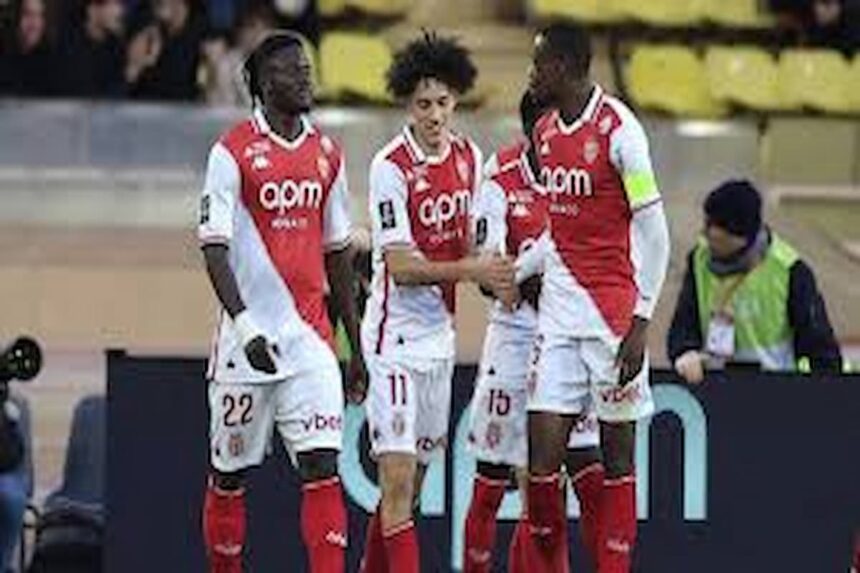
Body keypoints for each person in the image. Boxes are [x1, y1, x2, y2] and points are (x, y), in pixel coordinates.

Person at [197, 31, 365, 573]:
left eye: (308, 69)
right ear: (266, 82)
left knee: (322, 466)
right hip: (245, 345)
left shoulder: (327, 154)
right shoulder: (230, 152)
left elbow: (338, 256)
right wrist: (245, 328)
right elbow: (214, 250)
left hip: (310, 341)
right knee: (229, 475)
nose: (307, 78)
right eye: (295, 71)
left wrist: (354, 348)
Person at [359, 31, 516, 573]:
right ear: (408, 103)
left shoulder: (471, 159)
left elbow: (475, 248)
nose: (433, 114)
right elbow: (401, 269)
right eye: (423, 103)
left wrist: (501, 275)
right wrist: (474, 269)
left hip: (439, 342)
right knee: (398, 479)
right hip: (394, 341)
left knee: (412, 489)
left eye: (442, 102)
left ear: (456, 100)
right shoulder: (390, 166)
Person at [526, 23, 670, 572]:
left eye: (539, 64)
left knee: (617, 459)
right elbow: (560, 229)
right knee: (541, 467)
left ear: (563, 67)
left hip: (613, 321)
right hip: (558, 318)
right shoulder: (544, 132)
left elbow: (655, 234)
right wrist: (517, 268)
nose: (532, 75)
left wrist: (641, 321)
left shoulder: (620, 132)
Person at [462, 92, 603, 573]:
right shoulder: (500, 176)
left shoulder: (588, 176)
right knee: (491, 476)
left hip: (568, 339)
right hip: (515, 335)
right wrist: (529, 281)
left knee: (566, 476)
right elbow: (487, 273)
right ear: (531, 133)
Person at [667, 179, 843, 383]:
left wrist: (824, 392)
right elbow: (683, 326)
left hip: (774, 389)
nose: (704, 234)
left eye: (711, 227)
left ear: (739, 236)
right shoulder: (699, 260)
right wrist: (685, 352)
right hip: (713, 388)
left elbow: (821, 349)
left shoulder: (789, 271)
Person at [125, 0, 203, 100]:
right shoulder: (142, 20)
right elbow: (126, 81)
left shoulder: (200, 27)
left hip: (186, 104)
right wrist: (136, 66)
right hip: (144, 103)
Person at [60, 0, 127, 98]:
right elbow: (89, 98)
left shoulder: (116, 45)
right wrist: (131, 71)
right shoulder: (70, 46)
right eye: (113, 4)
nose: (120, 11)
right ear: (92, 10)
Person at [0, 0, 56, 96]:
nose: (34, 23)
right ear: (15, 19)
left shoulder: (53, 63)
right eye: (28, 14)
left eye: (39, 16)